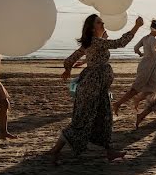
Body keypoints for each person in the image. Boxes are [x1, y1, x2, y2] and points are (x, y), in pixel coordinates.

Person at [47, 14, 145, 164]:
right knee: (82, 120)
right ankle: (56, 150)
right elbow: (120, 43)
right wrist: (136, 27)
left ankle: (109, 151)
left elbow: (69, 60)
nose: (103, 23)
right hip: (92, 88)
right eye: (99, 22)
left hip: (98, 88)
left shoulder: (92, 43)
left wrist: (68, 70)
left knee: (104, 118)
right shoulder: (95, 42)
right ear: (92, 28)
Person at [112, 19, 156, 115]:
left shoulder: (145, 38)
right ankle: (117, 104)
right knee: (136, 88)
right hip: (148, 66)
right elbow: (154, 53)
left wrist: (141, 53)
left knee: (153, 88)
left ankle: (138, 99)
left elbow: (135, 48)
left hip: (147, 64)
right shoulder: (153, 39)